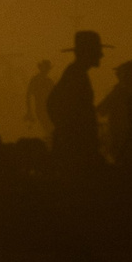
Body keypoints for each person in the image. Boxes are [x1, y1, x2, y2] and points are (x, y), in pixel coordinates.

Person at [48, 31, 105, 165]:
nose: (101, 55)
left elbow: (52, 102)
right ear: (87, 52)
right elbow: (54, 104)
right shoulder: (75, 76)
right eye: (97, 51)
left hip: (75, 147)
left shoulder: (75, 73)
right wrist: (71, 134)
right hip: (76, 151)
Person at [96, 58, 132, 164]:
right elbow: (101, 110)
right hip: (127, 147)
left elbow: (101, 110)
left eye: (124, 74)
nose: (120, 76)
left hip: (128, 147)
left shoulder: (119, 93)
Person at [24, 60, 55, 143]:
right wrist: (29, 111)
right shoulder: (36, 80)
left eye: (47, 68)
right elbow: (28, 95)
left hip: (50, 110)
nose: (47, 70)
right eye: (46, 68)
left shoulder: (49, 81)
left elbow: (55, 97)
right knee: (49, 130)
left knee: (50, 130)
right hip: (42, 110)